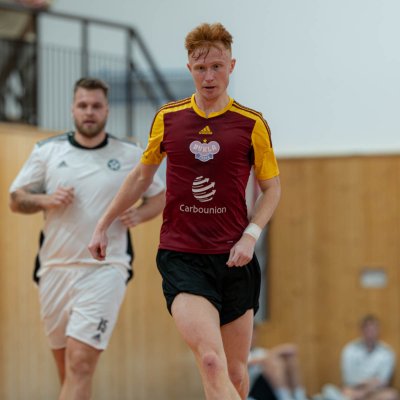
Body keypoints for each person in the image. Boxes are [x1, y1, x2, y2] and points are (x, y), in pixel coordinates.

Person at [88, 22, 281, 400]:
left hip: (235, 260)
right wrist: (103, 223)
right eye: (200, 68)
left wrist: (251, 235)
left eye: (217, 67)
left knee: (236, 374)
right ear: (190, 68)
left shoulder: (251, 124)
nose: (209, 76)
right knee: (210, 362)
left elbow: (272, 189)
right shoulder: (169, 118)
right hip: (183, 257)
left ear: (231, 66)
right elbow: (141, 176)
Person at [9, 77, 165, 400]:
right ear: (73, 109)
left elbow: (160, 195)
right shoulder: (47, 151)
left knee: (80, 364)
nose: (89, 112)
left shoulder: (129, 153)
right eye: (83, 105)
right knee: (68, 370)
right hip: (54, 269)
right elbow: (15, 199)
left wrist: (140, 214)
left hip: (105, 268)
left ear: (107, 110)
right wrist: (45, 199)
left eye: (96, 106)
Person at [0, 0, 51, 122]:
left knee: (31, 78)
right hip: (5, 31)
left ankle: (30, 116)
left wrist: (44, 3)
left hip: (29, 34)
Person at [340, 314, 398, 400]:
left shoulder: (386, 352)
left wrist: (365, 391)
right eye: (367, 329)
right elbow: (349, 379)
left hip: (376, 392)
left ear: (378, 330)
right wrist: (368, 383)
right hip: (354, 390)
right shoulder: (350, 350)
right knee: (341, 392)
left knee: (391, 395)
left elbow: (383, 381)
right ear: (361, 330)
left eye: (373, 329)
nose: (370, 333)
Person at [248, 324, 307, 400]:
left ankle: (300, 396)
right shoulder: (242, 354)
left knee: (289, 360)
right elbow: (251, 362)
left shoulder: (260, 351)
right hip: (253, 388)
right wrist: (278, 351)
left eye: (254, 334)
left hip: (270, 388)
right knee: (273, 363)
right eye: (251, 334)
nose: (253, 337)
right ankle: (285, 397)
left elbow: (291, 350)